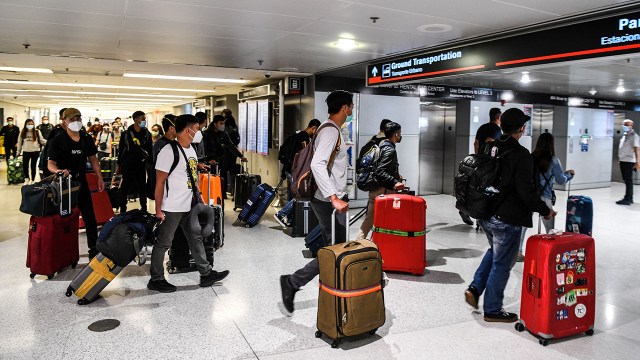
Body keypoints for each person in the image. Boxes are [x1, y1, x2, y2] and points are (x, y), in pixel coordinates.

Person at [464, 108, 555, 323]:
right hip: (508, 218)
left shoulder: (490, 147)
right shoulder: (521, 154)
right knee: (503, 263)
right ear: (521, 129)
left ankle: (476, 288)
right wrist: (545, 210)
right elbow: (526, 191)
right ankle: (493, 310)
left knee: (494, 251)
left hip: (486, 214)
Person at [280, 90, 351, 314]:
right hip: (328, 200)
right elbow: (318, 165)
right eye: (351, 107)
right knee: (335, 250)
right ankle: (292, 282)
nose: (351, 111)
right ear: (345, 108)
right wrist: (333, 197)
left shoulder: (327, 128)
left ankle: (332, 290)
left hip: (327, 198)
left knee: (335, 248)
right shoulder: (330, 131)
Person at [150, 114, 229, 292]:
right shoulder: (168, 151)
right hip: (172, 206)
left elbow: (191, 176)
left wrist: (199, 196)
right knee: (164, 242)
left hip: (189, 205)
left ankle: (206, 274)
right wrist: (158, 210)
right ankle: (156, 279)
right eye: (197, 128)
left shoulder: (190, 150)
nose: (199, 131)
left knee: (196, 238)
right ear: (188, 130)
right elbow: (159, 183)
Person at [47, 108, 104, 260]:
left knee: (90, 217)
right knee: (65, 218)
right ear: (64, 121)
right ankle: (63, 251)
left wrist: (99, 177)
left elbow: (93, 159)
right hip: (64, 185)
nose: (76, 122)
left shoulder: (86, 138)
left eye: (78, 118)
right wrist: (59, 171)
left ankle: (94, 249)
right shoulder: (58, 140)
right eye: (72, 119)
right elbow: (50, 164)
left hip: (81, 183)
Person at [515, 133, 575, 262]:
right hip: (546, 197)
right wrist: (569, 175)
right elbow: (561, 180)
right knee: (550, 229)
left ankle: (518, 252)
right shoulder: (554, 161)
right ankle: (549, 254)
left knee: (523, 226)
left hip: (530, 197)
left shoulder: (530, 158)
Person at [355, 121, 405, 241]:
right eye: (399, 133)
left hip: (375, 189)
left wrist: (397, 175)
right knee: (388, 220)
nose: (400, 136)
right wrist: (395, 182)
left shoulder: (381, 145)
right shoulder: (390, 150)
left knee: (369, 218)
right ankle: (383, 246)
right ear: (395, 134)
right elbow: (381, 171)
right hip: (384, 190)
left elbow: (380, 167)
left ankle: (358, 244)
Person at [459, 107, 504, 227]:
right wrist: (489, 158)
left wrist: (479, 157)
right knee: (487, 190)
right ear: (499, 117)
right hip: (489, 164)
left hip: (478, 162)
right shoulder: (497, 129)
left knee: (474, 186)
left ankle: (466, 209)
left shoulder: (482, 127)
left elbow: (476, 143)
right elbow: (490, 142)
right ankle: (482, 217)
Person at [274, 119, 322, 227]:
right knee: (298, 196)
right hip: (295, 173)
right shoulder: (304, 140)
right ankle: (282, 214)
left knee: (292, 195)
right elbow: (303, 160)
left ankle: (291, 220)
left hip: (288, 170)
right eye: (317, 131)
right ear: (313, 128)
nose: (316, 133)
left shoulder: (295, 136)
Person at [117, 111, 152, 213]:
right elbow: (121, 150)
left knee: (142, 187)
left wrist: (151, 164)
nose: (144, 120)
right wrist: (119, 165)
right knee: (125, 187)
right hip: (128, 165)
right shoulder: (126, 134)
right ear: (136, 119)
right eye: (142, 118)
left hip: (141, 165)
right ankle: (123, 209)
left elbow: (150, 150)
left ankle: (144, 209)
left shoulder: (147, 133)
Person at [202, 115, 247, 195]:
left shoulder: (223, 134)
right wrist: (209, 159)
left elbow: (231, 145)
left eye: (224, 123)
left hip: (221, 161)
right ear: (215, 124)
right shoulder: (206, 134)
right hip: (209, 163)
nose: (223, 125)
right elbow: (204, 149)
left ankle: (222, 195)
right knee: (211, 182)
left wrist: (241, 156)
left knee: (222, 179)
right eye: (221, 123)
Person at [616, 119, 640, 205]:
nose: (624, 126)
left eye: (626, 124)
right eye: (623, 124)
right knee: (626, 179)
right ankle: (628, 197)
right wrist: (620, 159)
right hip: (623, 160)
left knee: (628, 180)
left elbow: (636, 148)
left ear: (631, 126)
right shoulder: (625, 134)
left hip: (629, 161)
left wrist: (637, 162)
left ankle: (628, 198)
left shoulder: (634, 135)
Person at [39, 109, 68, 178]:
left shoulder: (79, 134)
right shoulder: (56, 132)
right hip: (56, 168)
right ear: (61, 118)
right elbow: (48, 150)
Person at [17, 119, 45, 183]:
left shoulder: (37, 131)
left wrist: (49, 142)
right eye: (28, 124)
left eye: (31, 124)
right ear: (25, 124)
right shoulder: (23, 131)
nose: (30, 125)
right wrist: (18, 151)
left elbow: (41, 140)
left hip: (35, 151)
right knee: (25, 165)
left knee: (33, 166)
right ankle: (27, 178)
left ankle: (32, 179)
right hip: (26, 151)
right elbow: (19, 142)